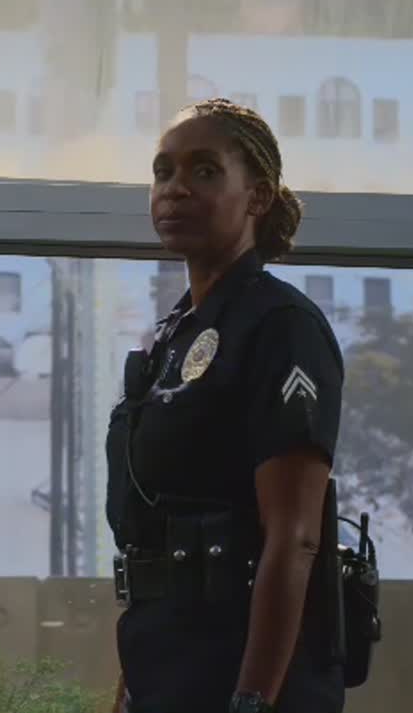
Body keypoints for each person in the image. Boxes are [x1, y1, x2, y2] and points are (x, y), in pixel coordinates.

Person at [105, 98, 347, 713]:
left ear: (258, 196)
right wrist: (131, 690)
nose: (175, 189)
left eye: (205, 171)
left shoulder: (280, 324)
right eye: (163, 172)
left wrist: (251, 700)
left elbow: (295, 537)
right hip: (168, 669)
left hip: (244, 676)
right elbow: (155, 533)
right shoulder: (172, 337)